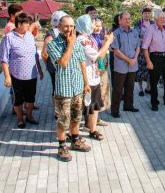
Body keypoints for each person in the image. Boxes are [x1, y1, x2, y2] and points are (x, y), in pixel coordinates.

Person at [47, 15, 92, 162]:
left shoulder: (77, 43)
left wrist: (86, 83)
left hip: (77, 87)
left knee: (76, 117)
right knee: (63, 120)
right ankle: (62, 146)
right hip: (64, 90)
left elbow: (82, 63)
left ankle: (75, 140)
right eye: (66, 26)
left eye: (72, 26)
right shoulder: (53, 44)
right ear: (59, 27)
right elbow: (63, 63)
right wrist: (70, 44)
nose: (69, 29)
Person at [0, 13, 43, 128]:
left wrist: (39, 69)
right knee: (18, 99)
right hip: (16, 75)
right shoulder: (9, 38)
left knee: (30, 98)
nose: (29, 26)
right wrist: (7, 77)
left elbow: (34, 54)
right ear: (19, 24)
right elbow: (4, 59)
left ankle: (29, 115)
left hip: (31, 75)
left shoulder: (29, 36)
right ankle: (20, 119)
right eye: (27, 24)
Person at [76, 15, 114, 140]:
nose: (94, 25)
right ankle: (75, 135)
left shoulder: (90, 37)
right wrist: (108, 42)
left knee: (95, 105)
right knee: (83, 107)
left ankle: (93, 130)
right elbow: (98, 56)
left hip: (94, 77)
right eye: (91, 23)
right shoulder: (82, 40)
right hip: (86, 79)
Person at [142, 11, 165, 111]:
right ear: (156, 18)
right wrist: (148, 62)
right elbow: (145, 47)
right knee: (154, 81)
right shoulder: (150, 29)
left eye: (164, 17)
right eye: (161, 17)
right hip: (155, 57)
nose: (163, 19)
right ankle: (154, 102)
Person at [110, 12, 141, 117]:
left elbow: (138, 47)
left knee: (130, 87)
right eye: (125, 19)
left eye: (129, 18)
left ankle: (128, 106)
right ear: (120, 21)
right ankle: (115, 111)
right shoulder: (116, 33)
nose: (127, 20)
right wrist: (129, 60)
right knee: (118, 89)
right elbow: (116, 50)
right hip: (121, 66)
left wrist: (135, 59)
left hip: (133, 65)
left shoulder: (135, 32)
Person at [41, 10, 67, 119]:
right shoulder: (51, 34)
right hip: (56, 67)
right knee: (56, 89)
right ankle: (57, 111)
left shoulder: (63, 32)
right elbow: (44, 54)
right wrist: (49, 65)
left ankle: (62, 110)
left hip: (63, 66)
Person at [92, 18, 111, 118]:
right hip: (94, 70)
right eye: (96, 25)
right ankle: (90, 122)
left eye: (100, 26)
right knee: (94, 95)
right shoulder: (90, 38)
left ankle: (96, 118)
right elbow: (98, 54)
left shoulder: (99, 37)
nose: (98, 28)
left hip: (101, 67)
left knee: (101, 93)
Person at [134, 6, 154, 96]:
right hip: (142, 50)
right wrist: (147, 39)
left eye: (148, 13)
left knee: (150, 68)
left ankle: (148, 87)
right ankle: (141, 89)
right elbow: (137, 36)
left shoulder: (153, 23)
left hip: (151, 50)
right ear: (142, 14)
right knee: (140, 70)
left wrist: (145, 38)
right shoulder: (138, 23)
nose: (147, 15)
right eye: (145, 13)